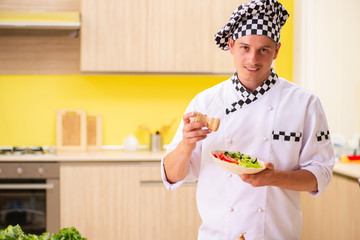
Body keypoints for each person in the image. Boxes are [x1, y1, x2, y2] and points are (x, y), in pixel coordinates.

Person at [161, 0, 335, 239]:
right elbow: (171, 175)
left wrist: (274, 178)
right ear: (231, 45)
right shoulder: (206, 102)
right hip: (217, 235)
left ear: (277, 50)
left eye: (263, 49)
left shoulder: (304, 103)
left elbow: (321, 174)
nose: (253, 59)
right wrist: (186, 146)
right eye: (245, 47)